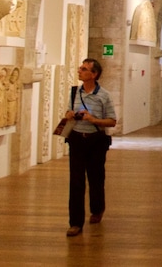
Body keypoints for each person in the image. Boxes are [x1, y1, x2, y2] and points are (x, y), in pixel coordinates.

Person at [63, 58, 116, 237]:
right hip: (77, 139)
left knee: (96, 178)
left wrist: (93, 119)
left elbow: (112, 120)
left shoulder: (104, 95)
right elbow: (68, 112)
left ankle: (97, 208)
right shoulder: (74, 93)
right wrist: (70, 115)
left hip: (96, 141)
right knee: (76, 181)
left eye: (84, 69)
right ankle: (75, 222)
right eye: (80, 68)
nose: (80, 71)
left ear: (94, 74)